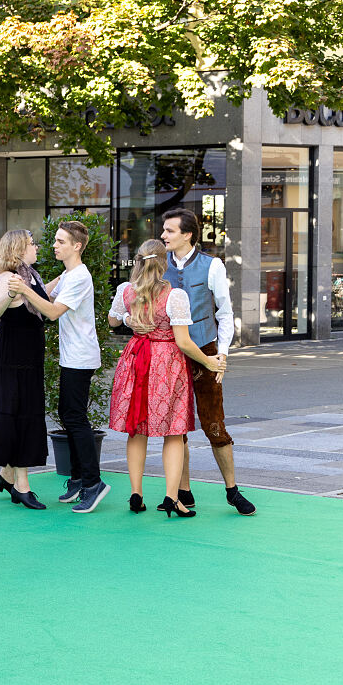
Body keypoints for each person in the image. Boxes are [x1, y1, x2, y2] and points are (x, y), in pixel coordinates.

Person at [148, 208, 256, 515]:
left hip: (205, 349)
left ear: (187, 234)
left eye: (169, 231)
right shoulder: (158, 264)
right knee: (175, 426)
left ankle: (232, 491)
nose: (163, 235)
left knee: (213, 422)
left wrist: (221, 353)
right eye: (163, 230)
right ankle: (183, 491)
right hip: (170, 351)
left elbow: (224, 312)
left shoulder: (212, 265)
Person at [108, 239, 224, 517]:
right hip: (165, 363)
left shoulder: (126, 290)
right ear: (163, 263)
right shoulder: (175, 296)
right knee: (173, 431)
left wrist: (131, 318)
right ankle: (172, 498)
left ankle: (136, 492)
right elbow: (183, 342)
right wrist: (209, 361)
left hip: (136, 358)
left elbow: (113, 321)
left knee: (137, 427)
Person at [9, 220, 109, 513]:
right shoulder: (68, 274)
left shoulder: (79, 277)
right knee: (70, 415)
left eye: (61, 241)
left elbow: (51, 311)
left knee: (75, 418)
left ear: (77, 246)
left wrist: (25, 290)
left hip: (80, 358)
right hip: (72, 356)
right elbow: (47, 295)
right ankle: (79, 479)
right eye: (55, 240)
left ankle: (93, 483)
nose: (54, 245)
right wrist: (26, 288)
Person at [0, 231, 48, 509]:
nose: (36, 247)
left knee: (27, 414)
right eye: (32, 244)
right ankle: (22, 486)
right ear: (19, 249)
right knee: (17, 416)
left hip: (29, 360)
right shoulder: (8, 278)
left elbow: (42, 299)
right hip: (12, 360)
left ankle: (7, 475)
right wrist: (9, 293)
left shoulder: (32, 276)